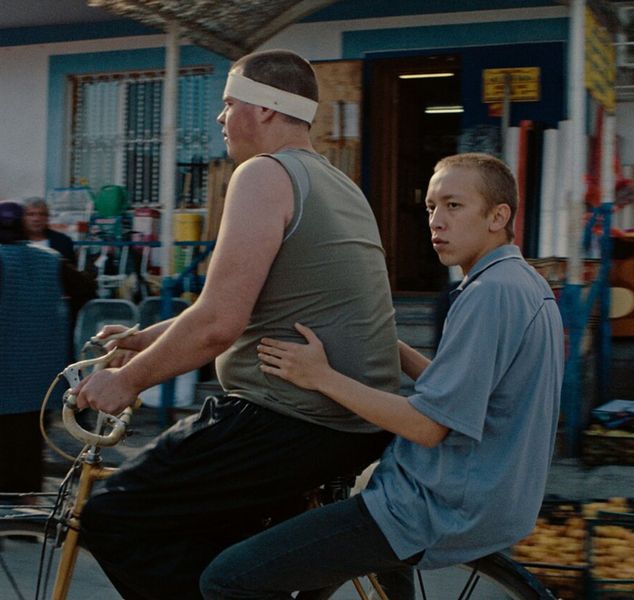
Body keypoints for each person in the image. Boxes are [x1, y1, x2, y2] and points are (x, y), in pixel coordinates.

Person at [73, 49, 400, 600]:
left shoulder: (263, 175)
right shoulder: (338, 182)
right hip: (349, 422)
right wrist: (144, 339)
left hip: (288, 418)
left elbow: (219, 326)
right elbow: (231, 305)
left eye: (229, 103)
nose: (220, 117)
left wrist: (127, 381)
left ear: (266, 108)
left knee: (112, 514)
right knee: (218, 551)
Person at [199, 152, 564, 599]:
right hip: (492, 499)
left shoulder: (488, 294)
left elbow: (428, 426)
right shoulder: (524, 283)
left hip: (433, 506)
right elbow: (467, 394)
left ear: (498, 216)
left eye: (454, 205)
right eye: (431, 207)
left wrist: (320, 376)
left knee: (227, 579)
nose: (436, 221)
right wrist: (388, 345)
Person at [0, 201, 70, 500]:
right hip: (39, 373)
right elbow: (85, 289)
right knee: (30, 442)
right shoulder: (51, 259)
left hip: (5, 371)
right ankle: (27, 507)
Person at [22, 196, 77, 264]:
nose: (36, 219)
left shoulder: (63, 242)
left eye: (42, 214)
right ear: (22, 218)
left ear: (47, 217)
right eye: (31, 214)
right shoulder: (14, 242)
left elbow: (70, 268)